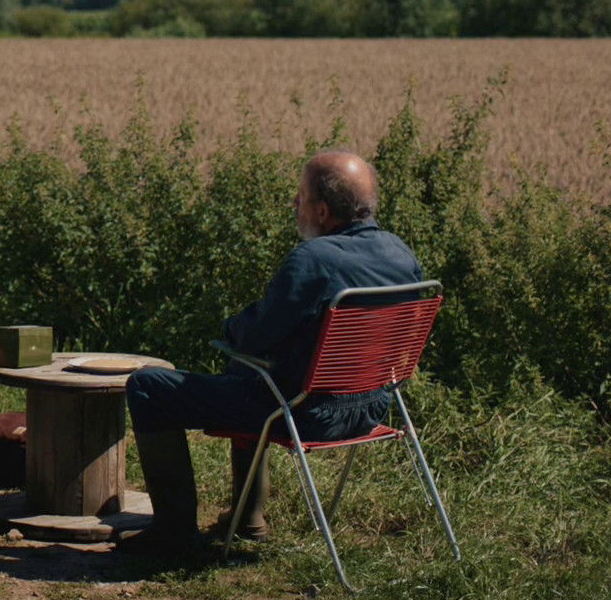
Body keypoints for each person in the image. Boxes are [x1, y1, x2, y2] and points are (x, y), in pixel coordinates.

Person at [120, 151, 424, 555]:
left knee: (148, 387)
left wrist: (230, 327)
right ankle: (247, 519)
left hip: (310, 414)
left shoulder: (314, 260)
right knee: (249, 373)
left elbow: (256, 336)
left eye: (300, 195)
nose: (294, 203)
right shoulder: (401, 254)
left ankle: (174, 532)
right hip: (372, 407)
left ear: (322, 210)